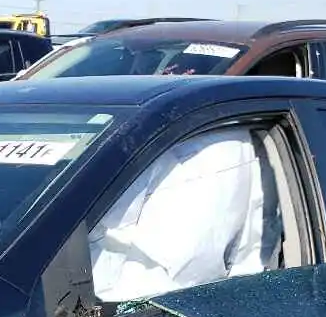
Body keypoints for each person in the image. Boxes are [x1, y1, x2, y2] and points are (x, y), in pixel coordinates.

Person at [89, 126, 278, 306]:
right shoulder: (241, 134)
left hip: (156, 303)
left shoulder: (162, 143)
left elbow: (110, 222)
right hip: (225, 294)